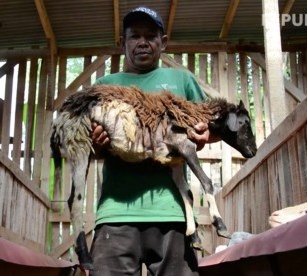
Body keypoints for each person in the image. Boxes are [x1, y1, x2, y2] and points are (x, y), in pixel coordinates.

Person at [89, 6, 216, 276]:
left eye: (151, 35)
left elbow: (211, 125)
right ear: (123, 43)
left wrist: (206, 134)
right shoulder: (104, 84)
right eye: (135, 36)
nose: (143, 42)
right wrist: (96, 143)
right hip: (115, 215)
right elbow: (88, 145)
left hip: (171, 213)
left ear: (164, 42)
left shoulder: (181, 80)